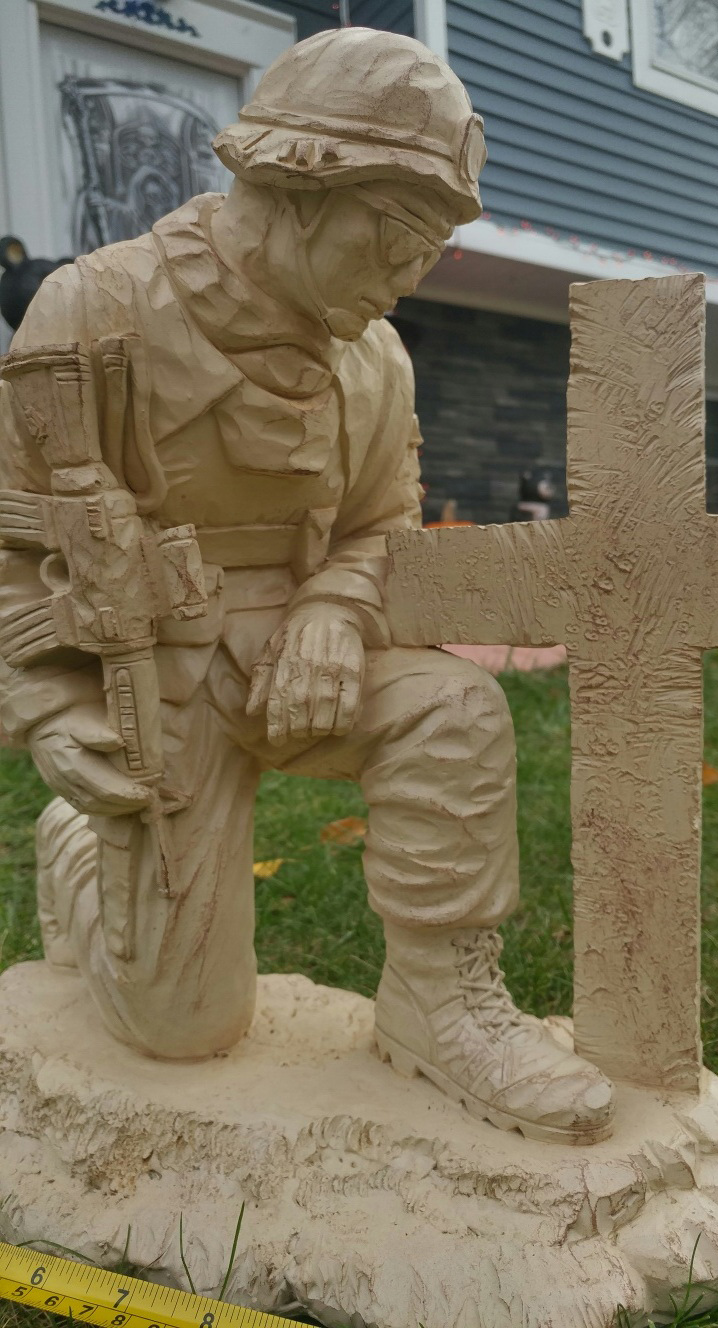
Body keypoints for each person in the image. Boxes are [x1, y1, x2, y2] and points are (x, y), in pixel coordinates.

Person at [0, 27, 614, 1144]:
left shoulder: (376, 358)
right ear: (296, 184)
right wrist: (51, 704)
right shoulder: (94, 315)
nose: (410, 276)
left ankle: (440, 1001)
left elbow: (383, 524)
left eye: (429, 249)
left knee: (452, 711)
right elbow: (11, 545)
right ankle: (85, 857)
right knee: (181, 1031)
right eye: (393, 237)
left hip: (301, 658)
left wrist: (334, 607)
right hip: (155, 661)